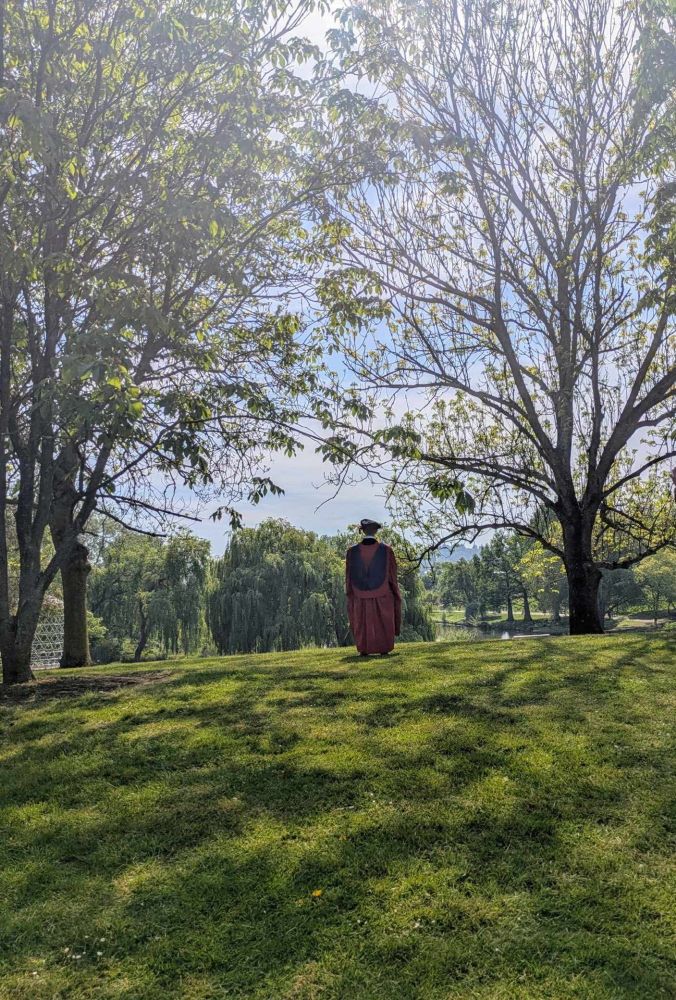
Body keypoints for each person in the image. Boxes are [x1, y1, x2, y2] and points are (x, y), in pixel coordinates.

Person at [345, 518, 402, 657]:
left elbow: (348, 578)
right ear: (376, 531)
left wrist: (350, 594)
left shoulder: (351, 552)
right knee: (383, 620)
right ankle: (384, 649)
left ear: (362, 530)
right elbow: (392, 576)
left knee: (362, 622)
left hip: (359, 594)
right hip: (383, 594)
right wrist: (396, 594)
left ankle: (364, 650)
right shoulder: (387, 550)